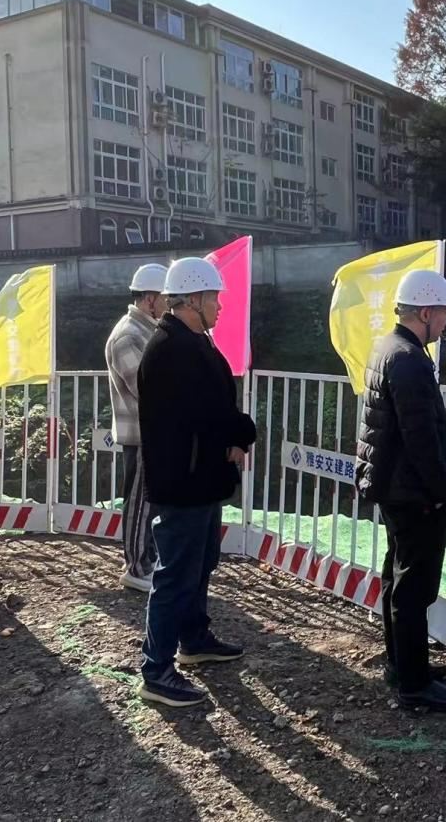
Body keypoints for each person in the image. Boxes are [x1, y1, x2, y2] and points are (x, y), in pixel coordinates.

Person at [136, 256, 257, 707]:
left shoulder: (189, 341)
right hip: (183, 481)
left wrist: (234, 436)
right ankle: (156, 669)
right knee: (176, 573)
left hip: (198, 478)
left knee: (200, 563)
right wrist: (240, 433)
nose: (220, 306)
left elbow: (213, 408)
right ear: (192, 299)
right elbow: (206, 414)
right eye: (214, 298)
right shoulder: (172, 349)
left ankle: (194, 638)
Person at [355, 268, 446, 711]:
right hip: (412, 491)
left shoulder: (388, 348)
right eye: (443, 313)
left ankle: (401, 664)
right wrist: (440, 490)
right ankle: (414, 684)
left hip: (393, 485)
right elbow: (420, 438)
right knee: (413, 587)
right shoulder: (410, 361)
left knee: (397, 576)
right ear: (425, 313)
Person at [105, 263, 168, 593]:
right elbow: (148, 390)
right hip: (142, 435)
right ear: (150, 298)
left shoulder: (146, 329)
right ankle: (136, 566)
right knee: (140, 504)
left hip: (152, 433)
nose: (170, 305)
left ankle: (146, 560)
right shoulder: (128, 335)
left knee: (149, 502)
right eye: (167, 299)